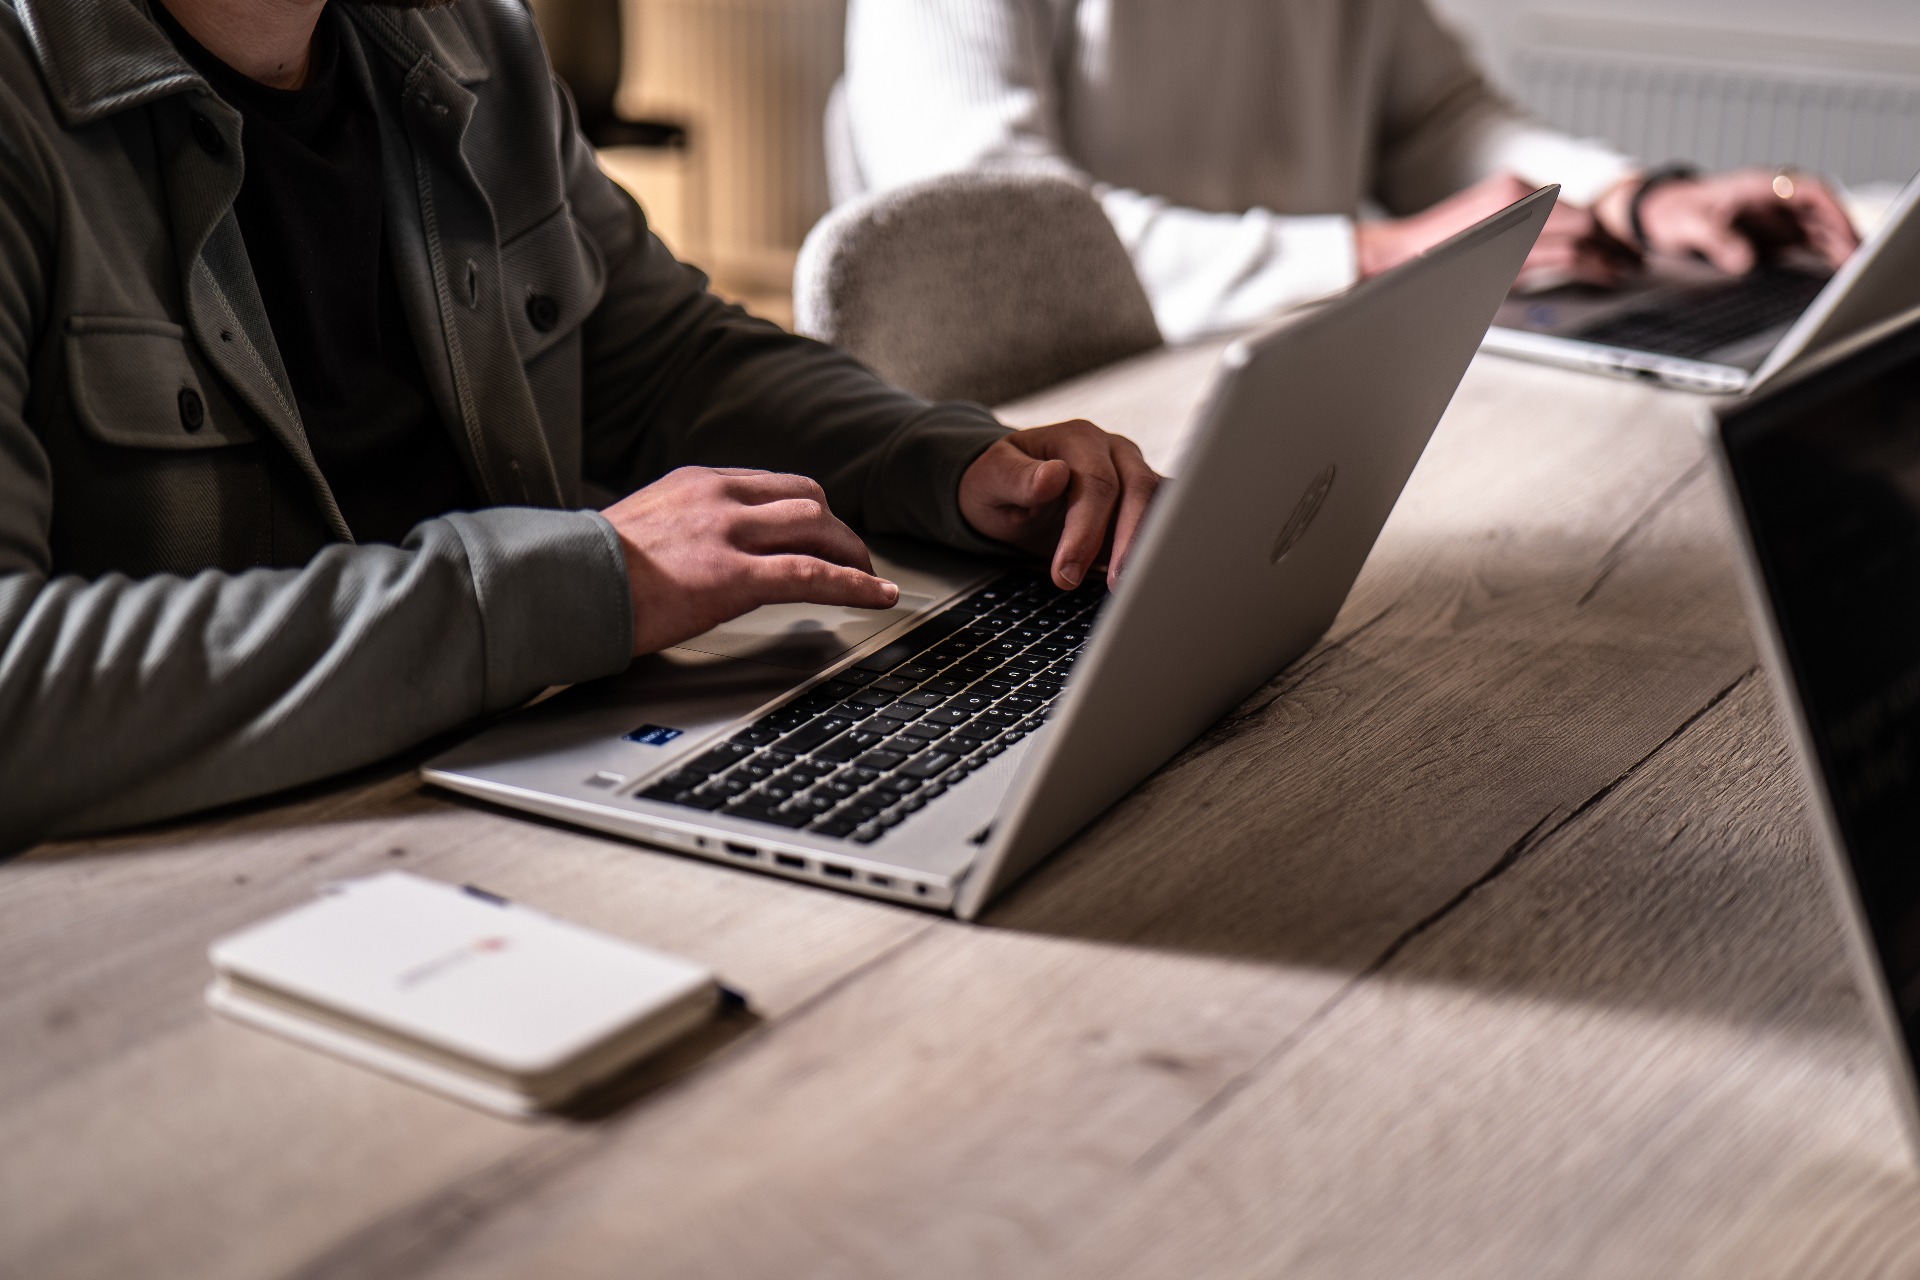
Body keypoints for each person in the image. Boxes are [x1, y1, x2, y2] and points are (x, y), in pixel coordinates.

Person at [0, 0, 1158, 849]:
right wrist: (572, 585)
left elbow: (663, 357)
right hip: (214, 889)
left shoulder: (471, 38)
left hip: (533, 790)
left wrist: (941, 459)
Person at [840, 0, 1863, 344]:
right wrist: (1369, 254)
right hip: (1049, 446)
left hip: (1289, 381)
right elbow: (992, 247)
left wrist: (1634, 198)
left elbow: (1435, 119)